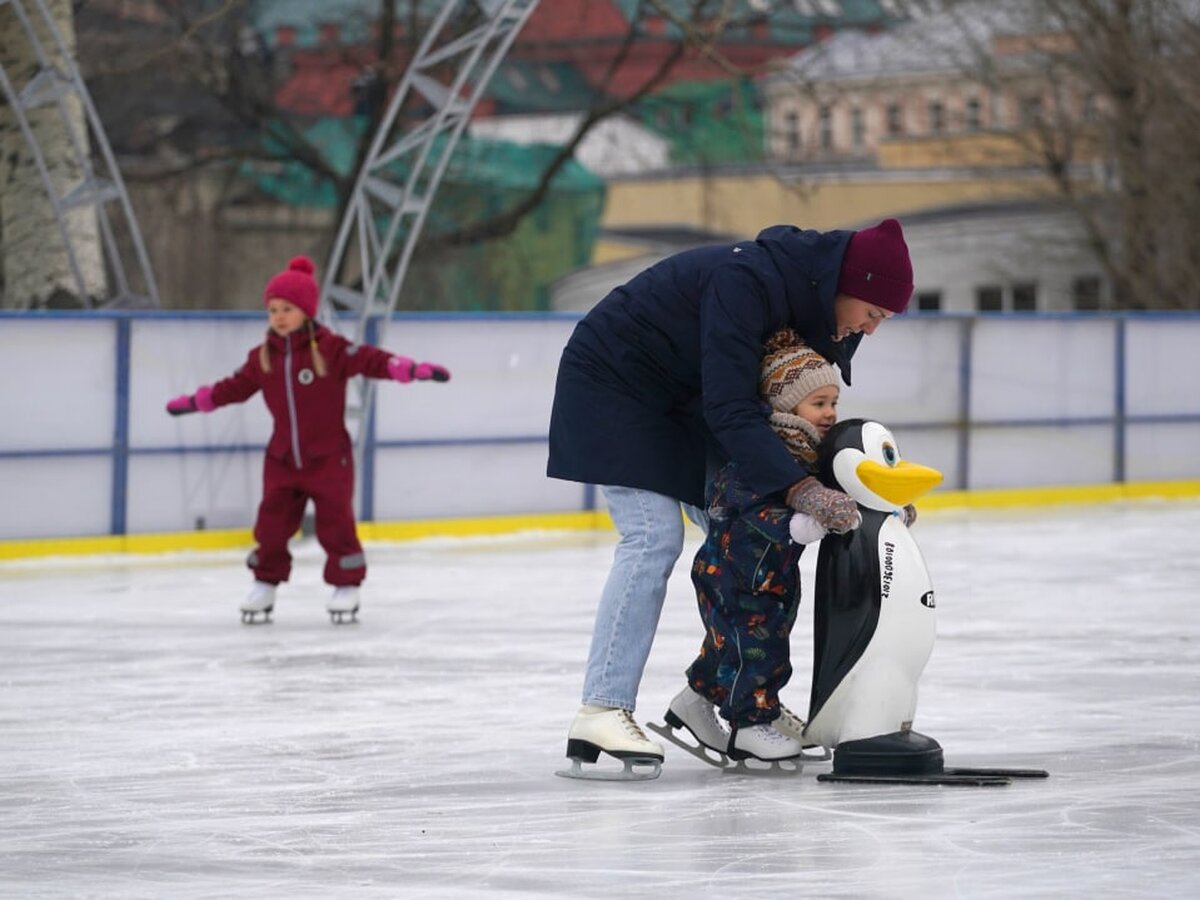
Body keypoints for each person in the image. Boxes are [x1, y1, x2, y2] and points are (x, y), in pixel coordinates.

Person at [548, 218, 914, 777]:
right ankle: (602, 707)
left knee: (750, 541)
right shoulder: (748, 281)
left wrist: (865, 492)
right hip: (615, 386)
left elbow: (800, 426)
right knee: (653, 537)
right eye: (873, 313)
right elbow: (732, 410)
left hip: (685, 401)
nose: (872, 328)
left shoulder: (823, 316)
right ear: (848, 281)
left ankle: (711, 698)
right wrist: (801, 488)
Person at [165, 255, 450, 624]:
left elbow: (371, 360)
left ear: (307, 311)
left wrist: (412, 369)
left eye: (287, 308)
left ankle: (346, 585)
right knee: (271, 526)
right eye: (272, 310)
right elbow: (232, 388)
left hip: (330, 457)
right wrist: (195, 402)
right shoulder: (263, 358)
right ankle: (264, 583)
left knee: (337, 524)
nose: (279, 316)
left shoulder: (331, 350)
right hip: (282, 459)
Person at [666, 330, 844, 763]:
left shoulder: (811, 452)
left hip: (770, 576)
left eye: (833, 403)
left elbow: (842, 484)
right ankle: (750, 722)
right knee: (757, 648)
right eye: (818, 404)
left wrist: (886, 506)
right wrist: (794, 526)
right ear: (786, 406)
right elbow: (739, 503)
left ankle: (693, 700)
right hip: (733, 572)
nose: (829, 414)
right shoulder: (761, 449)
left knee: (734, 646)